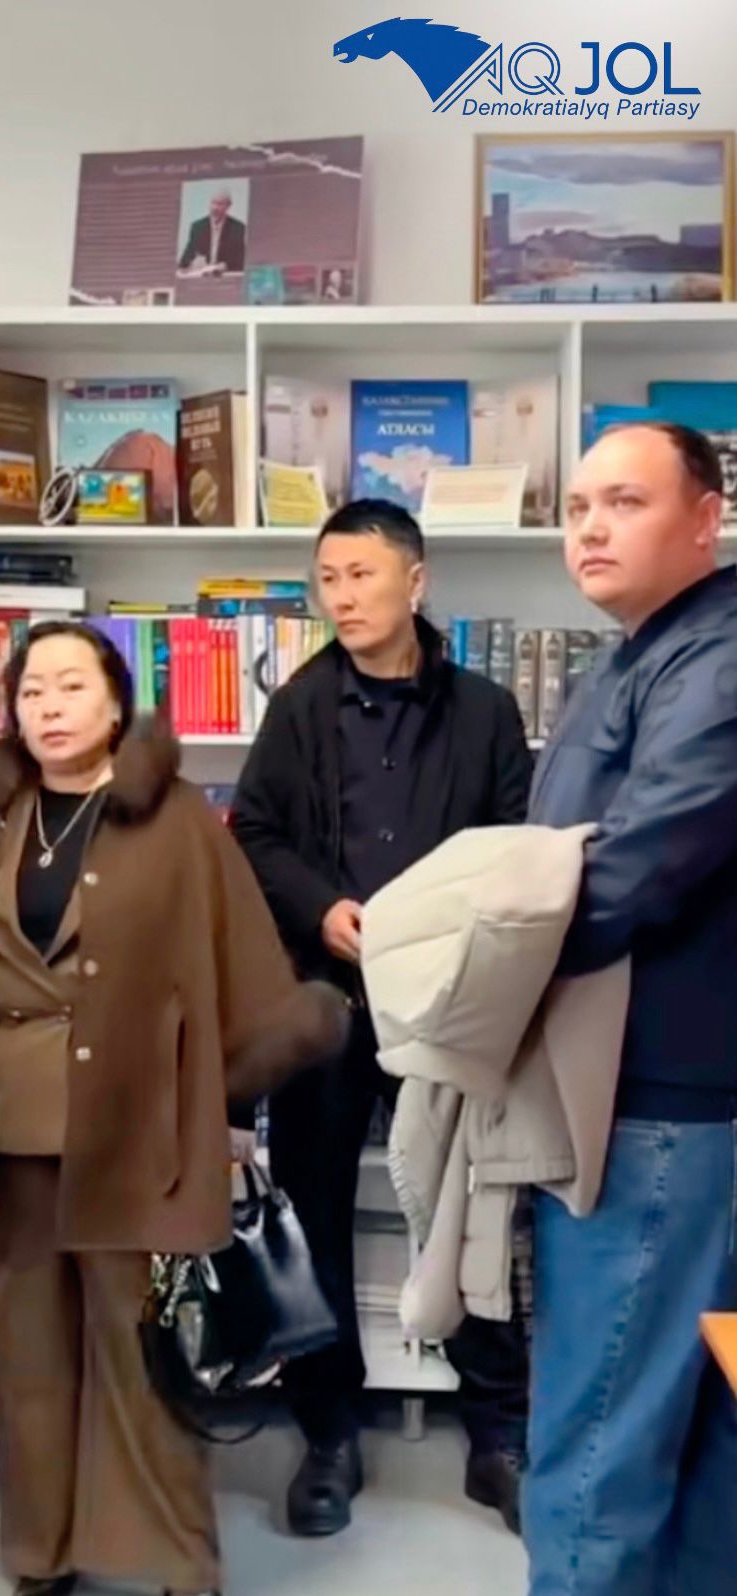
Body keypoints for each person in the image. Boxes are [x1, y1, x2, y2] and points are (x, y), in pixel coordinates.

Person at [0, 620, 347, 1596]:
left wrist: (227, 1099)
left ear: (116, 703)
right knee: (30, 1358)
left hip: (139, 1131)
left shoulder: (177, 823)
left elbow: (235, 965)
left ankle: (176, 1561)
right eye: (31, 691)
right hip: (9, 1135)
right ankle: (40, 1556)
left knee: (144, 1353)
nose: (49, 707)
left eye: (71, 686)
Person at [230, 498, 535, 1538]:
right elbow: (254, 832)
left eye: (361, 575)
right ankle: (328, 1435)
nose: (342, 597)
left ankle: (498, 1434)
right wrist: (322, 908)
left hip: (449, 999)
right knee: (312, 1212)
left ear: (416, 580)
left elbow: (515, 846)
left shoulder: (485, 711)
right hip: (326, 998)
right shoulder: (299, 706)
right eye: (327, 579)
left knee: (463, 1204)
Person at [523, 422, 737, 1596]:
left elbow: (635, 869)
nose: (592, 528)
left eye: (625, 502)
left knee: (600, 1444)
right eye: (577, 508)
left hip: (662, 1112)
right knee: (691, 1436)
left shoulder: (718, 661)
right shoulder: (643, 654)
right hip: (647, 1097)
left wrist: (483, 964)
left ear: (706, 519)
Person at [178, 187, 246, 274]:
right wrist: (190, 263)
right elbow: (186, 258)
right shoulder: (198, 227)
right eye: (213, 203)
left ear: (228, 206)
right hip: (202, 275)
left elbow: (241, 259)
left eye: (220, 204)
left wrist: (226, 265)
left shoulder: (238, 228)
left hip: (225, 275)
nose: (215, 208)